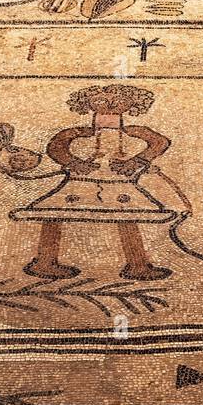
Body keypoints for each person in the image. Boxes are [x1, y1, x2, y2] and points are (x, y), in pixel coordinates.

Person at [11, 84, 176, 281]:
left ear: (132, 105)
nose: (110, 105)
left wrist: (137, 161)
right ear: (87, 104)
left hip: (118, 182)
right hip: (80, 181)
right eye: (101, 101)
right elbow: (55, 146)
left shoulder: (133, 130)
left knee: (127, 214)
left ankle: (138, 265)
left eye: (119, 102)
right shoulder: (80, 132)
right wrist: (73, 162)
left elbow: (160, 142)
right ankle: (45, 262)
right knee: (55, 213)